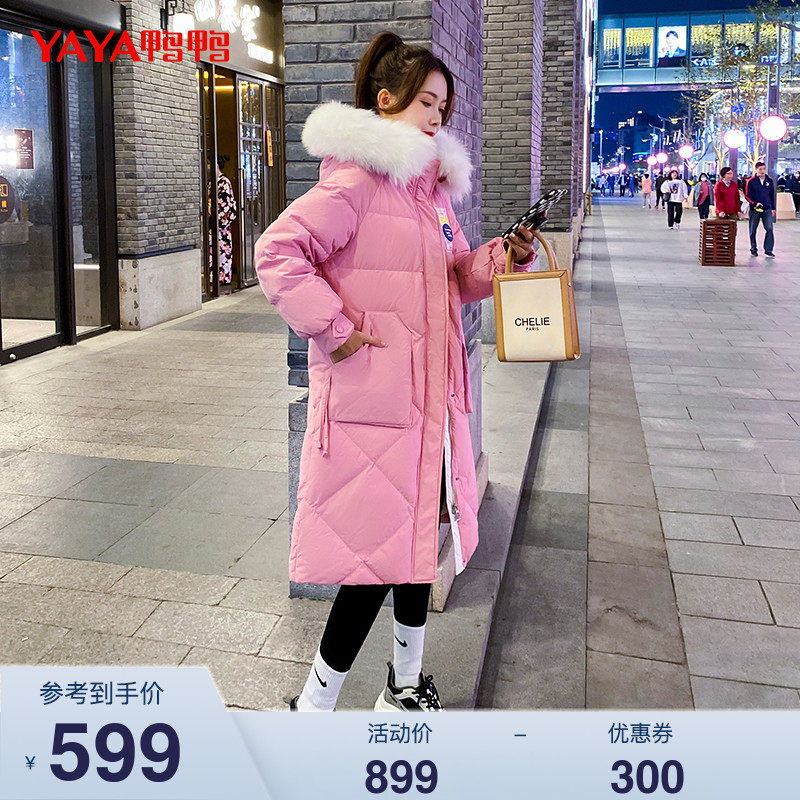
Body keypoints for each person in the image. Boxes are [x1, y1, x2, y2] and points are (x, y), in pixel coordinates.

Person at [254, 31, 537, 713]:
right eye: (427, 102)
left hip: (428, 402)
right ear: (387, 100)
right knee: (370, 567)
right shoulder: (355, 181)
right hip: (373, 406)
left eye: (444, 107)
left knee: (415, 545)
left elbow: (456, 277)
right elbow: (278, 253)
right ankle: (312, 708)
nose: (438, 116)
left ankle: (404, 687)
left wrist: (505, 255)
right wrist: (337, 330)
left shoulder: (430, 195)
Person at [212, 155, 238, 286]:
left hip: (222, 223)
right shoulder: (212, 181)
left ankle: (224, 277)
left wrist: (217, 216)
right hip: (213, 221)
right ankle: (214, 276)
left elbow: (226, 204)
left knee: (223, 249)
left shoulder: (224, 182)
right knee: (214, 250)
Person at [744, 161, 776, 257]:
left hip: (767, 209)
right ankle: (753, 248)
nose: (762, 171)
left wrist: (773, 208)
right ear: (756, 170)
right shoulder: (751, 181)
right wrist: (754, 203)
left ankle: (768, 249)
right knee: (753, 230)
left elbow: (772, 195)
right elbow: (747, 195)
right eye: (760, 169)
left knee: (769, 229)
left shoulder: (769, 181)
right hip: (755, 210)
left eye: (764, 169)